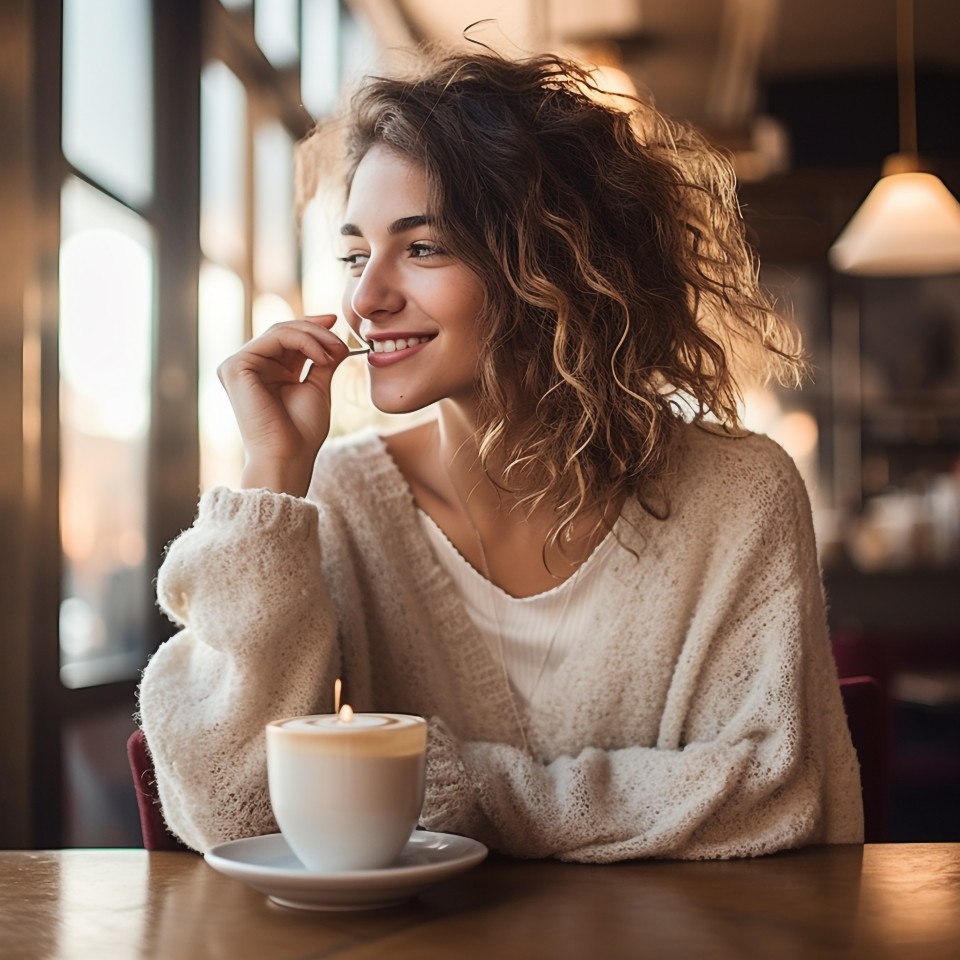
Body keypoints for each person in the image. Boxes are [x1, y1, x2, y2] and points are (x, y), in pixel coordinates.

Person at [137, 50, 863, 861]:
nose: (364, 299)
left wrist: (454, 790)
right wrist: (272, 475)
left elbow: (772, 793)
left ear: (551, 265)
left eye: (423, 248)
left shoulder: (739, 492)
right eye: (354, 254)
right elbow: (230, 808)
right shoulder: (340, 499)